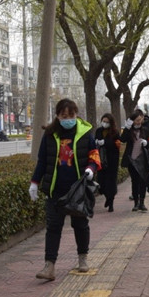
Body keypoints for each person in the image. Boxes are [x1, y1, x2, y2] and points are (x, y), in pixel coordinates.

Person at [29, 99, 100, 281]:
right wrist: (35, 182)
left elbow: (94, 156)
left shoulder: (85, 134)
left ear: (76, 114)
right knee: (53, 227)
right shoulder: (50, 135)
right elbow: (42, 161)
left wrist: (90, 169)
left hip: (77, 190)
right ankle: (49, 266)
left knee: (80, 225)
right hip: (55, 190)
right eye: (63, 116)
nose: (67, 119)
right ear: (58, 116)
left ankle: (83, 259)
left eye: (71, 115)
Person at [120, 109, 149, 212]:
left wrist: (147, 143)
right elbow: (122, 139)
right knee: (135, 181)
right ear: (132, 121)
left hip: (143, 160)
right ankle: (136, 203)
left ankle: (142, 203)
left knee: (143, 181)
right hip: (132, 160)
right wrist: (127, 128)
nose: (138, 122)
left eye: (140, 120)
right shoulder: (129, 130)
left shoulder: (145, 130)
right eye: (136, 120)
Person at [95, 113, 121, 212]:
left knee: (111, 182)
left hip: (111, 160)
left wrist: (105, 142)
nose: (105, 123)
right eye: (103, 121)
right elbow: (95, 140)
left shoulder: (115, 132)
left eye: (107, 122)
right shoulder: (99, 131)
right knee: (101, 182)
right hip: (101, 160)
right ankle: (107, 196)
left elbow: (117, 144)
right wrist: (96, 142)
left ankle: (111, 202)